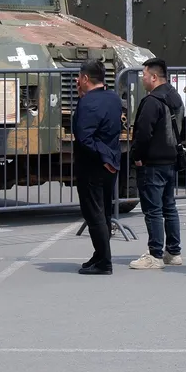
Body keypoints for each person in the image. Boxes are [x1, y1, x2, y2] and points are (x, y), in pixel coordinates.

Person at [129, 58, 184, 269]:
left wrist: (136, 156)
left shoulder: (152, 101)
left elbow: (143, 133)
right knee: (169, 207)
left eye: (144, 75)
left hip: (152, 163)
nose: (142, 79)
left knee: (153, 210)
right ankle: (173, 252)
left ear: (153, 77)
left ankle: (155, 255)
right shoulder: (174, 96)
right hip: (171, 159)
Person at [72, 60, 124, 275]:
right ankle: (100, 254)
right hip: (110, 161)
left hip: (93, 164)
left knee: (94, 214)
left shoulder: (87, 103)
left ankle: (104, 261)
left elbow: (84, 137)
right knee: (104, 211)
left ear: (85, 78)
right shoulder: (113, 98)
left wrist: (102, 157)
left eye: (79, 77)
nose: (77, 80)